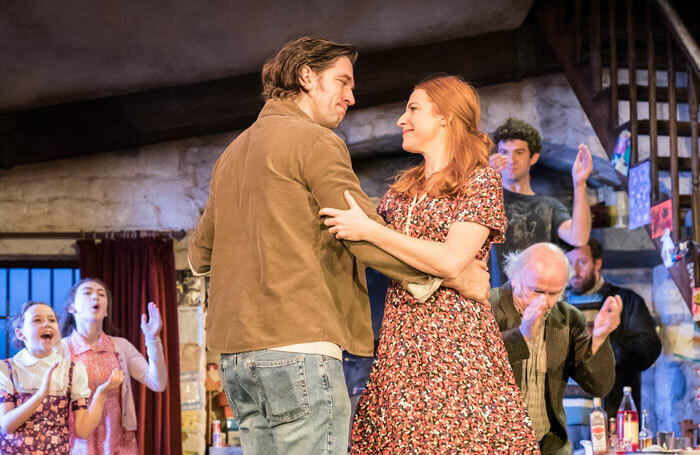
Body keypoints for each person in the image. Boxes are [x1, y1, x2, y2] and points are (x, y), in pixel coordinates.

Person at [188, 37, 488, 455]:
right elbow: (360, 232)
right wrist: (446, 276)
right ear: (306, 77)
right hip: (300, 346)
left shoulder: (231, 154)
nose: (351, 96)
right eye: (342, 82)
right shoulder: (315, 142)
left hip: (237, 361)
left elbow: (199, 256)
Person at [320, 75, 539, 453]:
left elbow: (452, 259)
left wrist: (372, 232)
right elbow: (402, 260)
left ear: (445, 117)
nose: (401, 120)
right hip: (400, 345)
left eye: (413, 109)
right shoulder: (401, 191)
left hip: (456, 344)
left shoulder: (479, 180)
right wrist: (453, 276)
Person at [489, 243, 620, 455]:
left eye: (554, 293)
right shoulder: (485, 307)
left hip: (549, 446)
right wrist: (522, 334)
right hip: (493, 444)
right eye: (537, 291)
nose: (546, 302)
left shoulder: (568, 318)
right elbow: (475, 368)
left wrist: (599, 339)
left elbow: (599, 386)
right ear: (514, 276)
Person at [59, 278, 167, 455]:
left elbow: (157, 383)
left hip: (118, 441)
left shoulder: (121, 346)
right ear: (71, 308)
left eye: (101, 294)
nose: (96, 297)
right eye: (87, 293)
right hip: (77, 443)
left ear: (106, 311)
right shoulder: (62, 348)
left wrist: (153, 339)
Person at [0, 301, 122, 454]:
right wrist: (40, 395)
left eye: (52, 320)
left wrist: (102, 393)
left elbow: (83, 430)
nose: (47, 324)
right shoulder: (7, 369)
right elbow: (7, 425)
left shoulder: (73, 370)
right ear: (20, 334)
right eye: (37, 320)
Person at [488, 118, 592, 287]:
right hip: (493, 302)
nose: (511, 160)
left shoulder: (549, 206)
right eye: (504, 153)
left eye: (519, 152)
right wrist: (486, 178)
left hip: (540, 299)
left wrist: (579, 184)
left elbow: (579, 238)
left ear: (534, 157)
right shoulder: (485, 199)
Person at [565, 239, 661, 417]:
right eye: (569, 263)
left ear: (597, 263)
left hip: (612, 414)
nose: (574, 271)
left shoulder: (625, 300)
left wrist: (601, 342)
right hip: (563, 419)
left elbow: (649, 350)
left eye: (582, 262)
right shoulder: (556, 305)